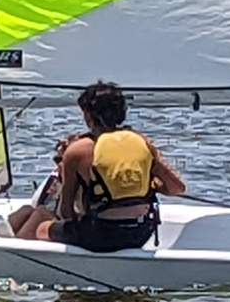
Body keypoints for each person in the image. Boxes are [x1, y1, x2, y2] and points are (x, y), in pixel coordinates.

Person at [10, 81, 186, 252]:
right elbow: (177, 188)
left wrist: (65, 163)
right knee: (36, 214)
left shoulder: (78, 150)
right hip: (140, 233)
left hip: (101, 234)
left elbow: (66, 211)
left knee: (41, 226)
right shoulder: (141, 142)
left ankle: (18, 259)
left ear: (88, 116)